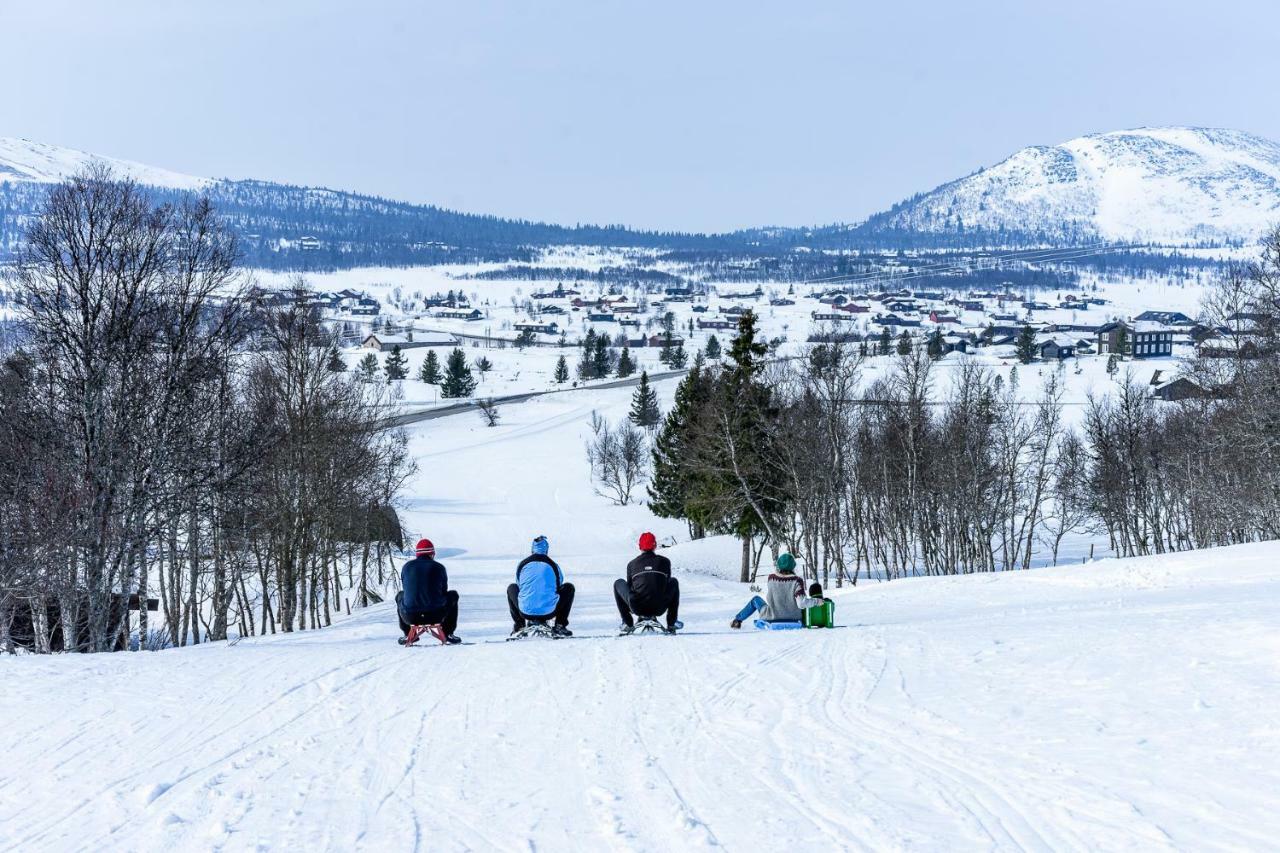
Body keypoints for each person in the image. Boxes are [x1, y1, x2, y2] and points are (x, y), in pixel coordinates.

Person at [730, 553, 820, 628]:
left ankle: (737, 620)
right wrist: (816, 601)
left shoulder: (771, 578)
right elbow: (801, 603)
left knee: (755, 600)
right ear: (793, 567)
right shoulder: (797, 581)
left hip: (772, 616)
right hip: (794, 618)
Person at [397, 538, 461, 644]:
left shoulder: (407, 567)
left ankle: (407, 633)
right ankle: (448, 633)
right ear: (432, 553)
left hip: (410, 616)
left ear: (417, 554)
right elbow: (443, 591)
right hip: (436, 614)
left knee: (400, 595)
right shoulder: (439, 567)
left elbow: (406, 589)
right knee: (453, 595)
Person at [508, 535, 575, 637]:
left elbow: (519, 585)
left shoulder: (523, 564)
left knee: (511, 588)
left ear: (532, 550)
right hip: (549, 611)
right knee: (569, 588)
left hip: (525, 612)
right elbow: (559, 585)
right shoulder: (552, 564)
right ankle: (560, 625)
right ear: (546, 550)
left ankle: (519, 626)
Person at [615, 531, 681, 633]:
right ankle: (672, 623)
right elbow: (666, 583)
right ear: (655, 546)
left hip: (637, 607)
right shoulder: (665, 562)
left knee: (618, 583)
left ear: (640, 547)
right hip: (659, 607)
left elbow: (630, 586)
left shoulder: (632, 564)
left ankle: (627, 623)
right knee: (673, 582)